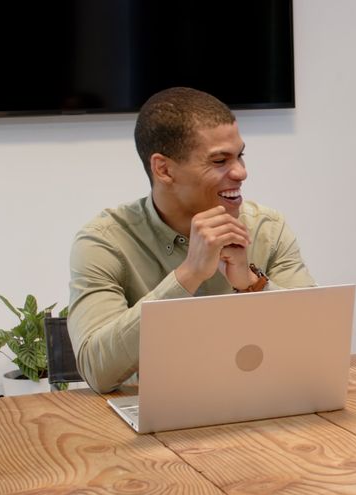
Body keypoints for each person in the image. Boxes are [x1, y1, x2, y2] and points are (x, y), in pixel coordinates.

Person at [68, 87, 315, 393]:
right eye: (219, 161)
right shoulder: (106, 242)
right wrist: (187, 276)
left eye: (240, 156)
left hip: (260, 401)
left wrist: (251, 283)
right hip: (155, 413)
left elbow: (316, 343)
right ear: (164, 169)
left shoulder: (268, 229)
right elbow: (97, 371)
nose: (241, 173)